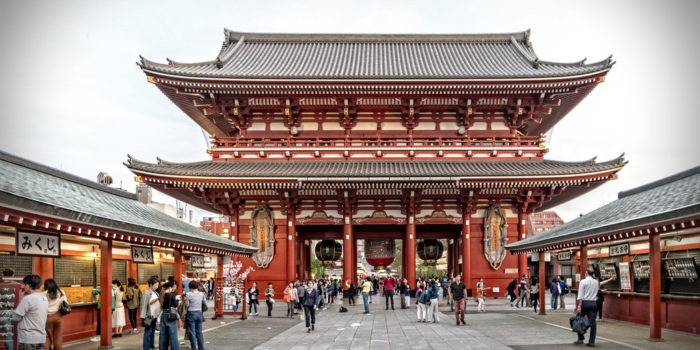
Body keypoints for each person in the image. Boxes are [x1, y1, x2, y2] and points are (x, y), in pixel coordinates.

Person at [11, 274, 48, 350]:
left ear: (28, 285)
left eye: (24, 284)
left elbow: (16, 318)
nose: (24, 286)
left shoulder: (28, 299)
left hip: (28, 339)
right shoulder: (44, 298)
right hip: (41, 337)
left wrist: (10, 312)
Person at [574, 268, 599, 347]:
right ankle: (592, 341)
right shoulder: (596, 282)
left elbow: (580, 295)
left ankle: (581, 339)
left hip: (585, 303)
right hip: (593, 303)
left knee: (579, 320)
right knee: (593, 323)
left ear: (586, 273)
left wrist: (579, 306)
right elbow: (597, 293)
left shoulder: (583, 282)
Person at [43, 278, 67, 350]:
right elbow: (66, 302)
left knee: (46, 337)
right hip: (58, 317)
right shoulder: (61, 292)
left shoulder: (43, 294)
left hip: (47, 318)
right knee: (58, 338)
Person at [184, 280, 205, 350]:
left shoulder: (188, 294)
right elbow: (203, 303)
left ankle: (194, 348)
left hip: (191, 313)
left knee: (192, 332)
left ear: (191, 287)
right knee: (199, 332)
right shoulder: (201, 294)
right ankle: (201, 348)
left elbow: (187, 305)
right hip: (199, 313)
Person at [141, 276, 160, 350]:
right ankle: (146, 347)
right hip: (149, 315)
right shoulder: (147, 293)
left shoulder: (154, 292)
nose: (157, 286)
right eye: (156, 285)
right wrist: (157, 299)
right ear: (151, 285)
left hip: (154, 315)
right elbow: (145, 304)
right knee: (148, 332)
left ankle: (151, 346)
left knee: (152, 332)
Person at [158, 282, 179, 350]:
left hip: (163, 314)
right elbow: (176, 304)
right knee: (173, 335)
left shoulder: (161, 295)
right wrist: (177, 300)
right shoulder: (171, 295)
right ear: (170, 288)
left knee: (163, 335)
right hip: (171, 315)